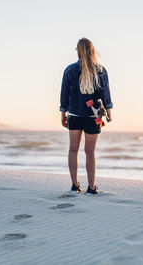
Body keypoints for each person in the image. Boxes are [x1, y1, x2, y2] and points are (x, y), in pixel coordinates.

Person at [59, 38, 113, 194]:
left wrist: (63, 113)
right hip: (92, 116)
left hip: (74, 114)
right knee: (90, 152)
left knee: (73, 150)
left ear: (77, 51)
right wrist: (109, 112)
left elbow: (64, 94)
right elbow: (106, 94)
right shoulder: (100, 70)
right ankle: (91, 187)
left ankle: (75, 185)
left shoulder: (69, 70)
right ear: (92, 51)